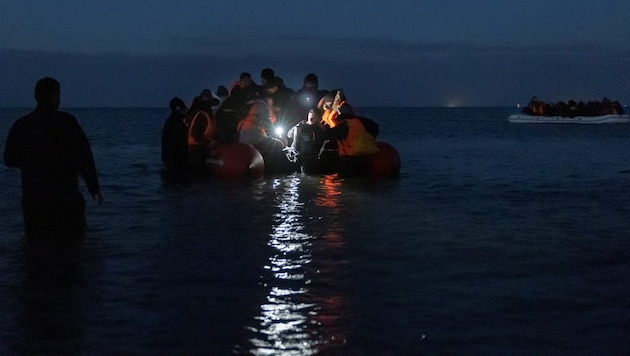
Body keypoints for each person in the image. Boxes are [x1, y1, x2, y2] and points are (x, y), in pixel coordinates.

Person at [4, 77, 104, 238]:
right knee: (72, 248)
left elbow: (9, 159)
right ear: (55, 97)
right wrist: (94, 188)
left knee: (35, 248)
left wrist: (32, 161)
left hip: (34, 200)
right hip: (66, 199)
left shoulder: (22, 125)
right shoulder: (67, 122)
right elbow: (85, 157)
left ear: (36, 96)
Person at [326, 102, 379, 176]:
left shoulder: (342, 126)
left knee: (348, 184)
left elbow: (329, 136)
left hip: (347, 160)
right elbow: (375, 128)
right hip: (364, 159)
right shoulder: (364, 122)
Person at [186, 90, 220, 172]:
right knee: (198, 178)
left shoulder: (192, 113)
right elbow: (196, 134)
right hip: (196, 151)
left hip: (191, 149)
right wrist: (208, 143)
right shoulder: (202, 115)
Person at [161, 97, 189, 172]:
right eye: (184, 109)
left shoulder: (171, 121)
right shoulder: (177, 122)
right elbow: (178, 142)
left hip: (170, 159)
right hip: (175, 160)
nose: (185, 111)